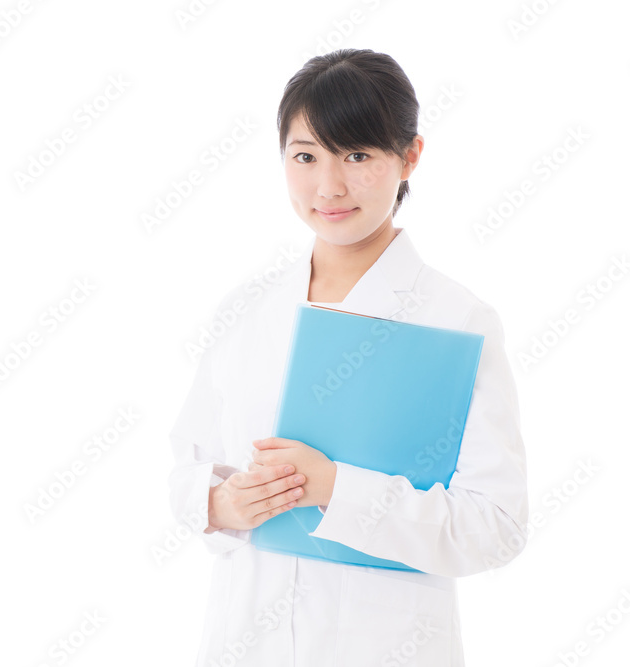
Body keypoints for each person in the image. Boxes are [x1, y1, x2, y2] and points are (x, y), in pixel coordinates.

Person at [167, 48, 529, 666]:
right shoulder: (248, 310)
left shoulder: (456, 320)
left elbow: (496, 527)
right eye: (305, 156)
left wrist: (337, 489)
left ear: (409, 156)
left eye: (357, 155)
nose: (328, 186)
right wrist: (218, 504)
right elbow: (187, 464)